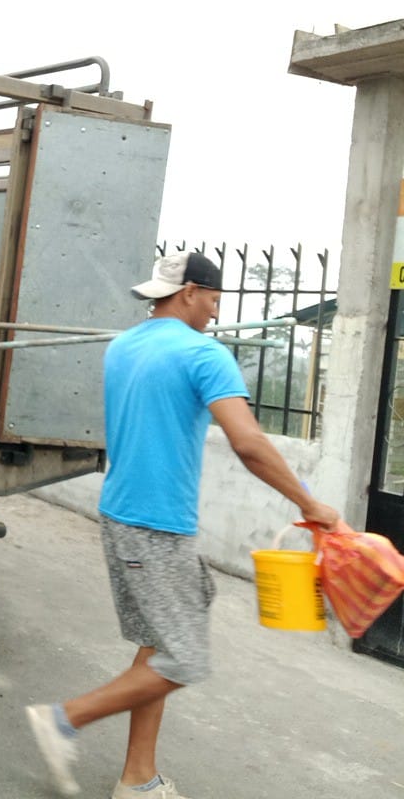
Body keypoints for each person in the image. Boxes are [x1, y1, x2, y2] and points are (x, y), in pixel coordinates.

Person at [26, 250, 339, 799]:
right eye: (213, 299)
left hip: (124, 513)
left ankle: (138, 779)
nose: (216, 312)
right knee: (184, 659)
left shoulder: (124, 346)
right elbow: (249, 442)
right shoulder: (204, 354)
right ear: (190, 292)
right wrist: (309, 503)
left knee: (159, 643)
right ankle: (63, 720)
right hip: (156, 525)